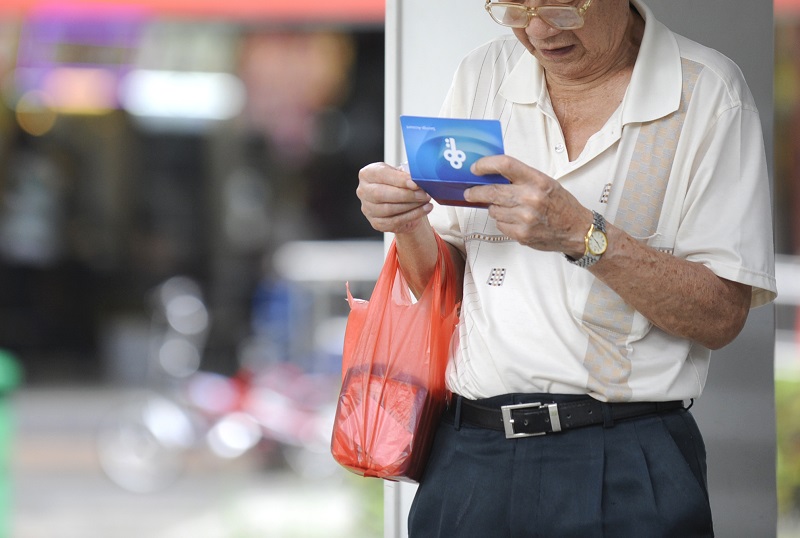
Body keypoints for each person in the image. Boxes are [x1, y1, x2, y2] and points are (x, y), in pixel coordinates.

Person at [356, 0, 777, 536]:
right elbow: (446, 289)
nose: (537, 29)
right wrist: (406, 224)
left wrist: (584, 235)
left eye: (560, 6)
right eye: (514, 7)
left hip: (625, 455)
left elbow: (721, 315)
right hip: (470, 455)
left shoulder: (706, 92)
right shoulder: (484, 74)